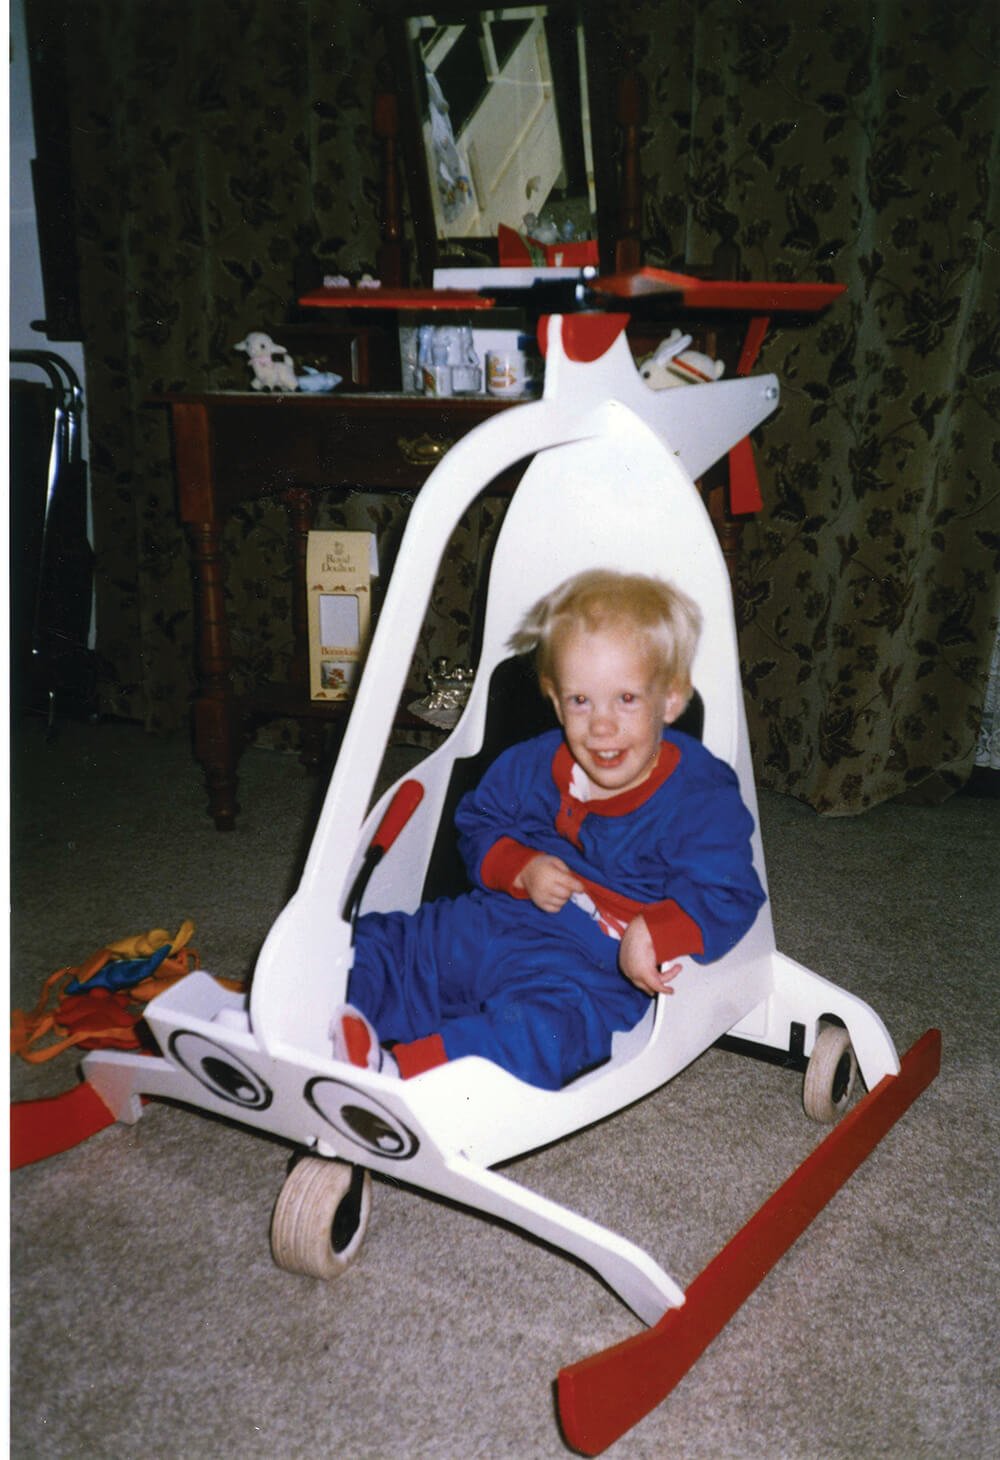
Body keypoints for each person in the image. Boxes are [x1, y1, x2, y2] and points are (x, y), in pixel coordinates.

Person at [331, 569, 765, 1091]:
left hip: (590, 966)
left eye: (626, 699)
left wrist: (656, 930)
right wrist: (520, 866)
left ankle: (405, 1075)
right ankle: (334, 1019)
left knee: (548, 1032)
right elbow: (477, 822)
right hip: (496, 918)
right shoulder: (534, 763)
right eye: (581, 701)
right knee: (385, 942)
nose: (600, 725)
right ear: (557, 701)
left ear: (670, 700)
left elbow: (730, 890)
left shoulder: (699, 793)